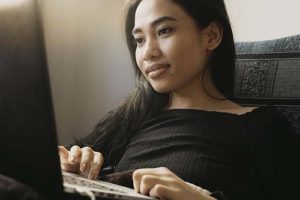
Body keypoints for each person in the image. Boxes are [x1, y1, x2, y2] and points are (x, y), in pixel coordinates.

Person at [58, 0, 299, 199]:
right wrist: (73, 160)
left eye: (164, 31)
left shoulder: (261, 127)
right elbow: (63, 160)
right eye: (139, 40)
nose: (148, 52)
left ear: (212, 36)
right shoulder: (134, 114)